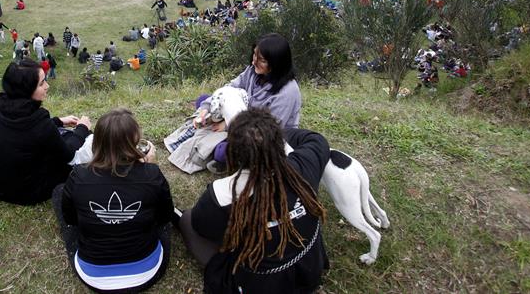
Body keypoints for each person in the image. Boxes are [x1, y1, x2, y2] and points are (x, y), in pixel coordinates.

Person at [177, 109, 329, 294]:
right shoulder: (303, 164)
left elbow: (202, 228)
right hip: (309, 269)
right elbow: (315, 138)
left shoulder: (223, 193)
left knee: (187, 219)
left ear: (232, 152)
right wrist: (268, 134)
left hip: (263, 284)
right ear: (279, 142)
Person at [53, 109, 174, 293]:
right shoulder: (152, 174)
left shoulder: (78, 176)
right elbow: (165, 217)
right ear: (135, 142)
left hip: (93, 274)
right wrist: (149, 168)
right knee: (164, 221)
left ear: (97, 141)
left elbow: (70, 219)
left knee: (59, 192)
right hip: (147, 271)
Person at [0, 59, 91, 205]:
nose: (47, 86)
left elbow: (26, 134)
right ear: (26, 89)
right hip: (25, 192)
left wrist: (57, 121)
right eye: (41, 83)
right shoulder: (39, 123)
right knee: (78, 155)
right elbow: (69, 154)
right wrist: (82, 128)